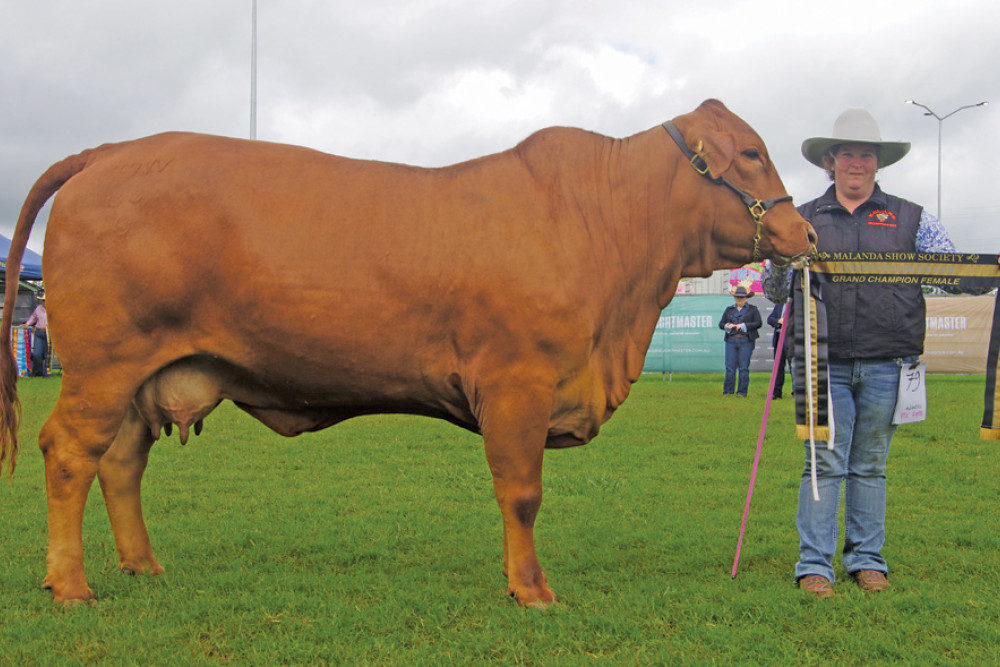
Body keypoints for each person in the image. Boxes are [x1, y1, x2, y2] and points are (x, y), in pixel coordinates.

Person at [764, 107, 964, 598]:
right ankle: (814, 565)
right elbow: (773, 289)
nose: (857, 163)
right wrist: (779, 258)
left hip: (889, 360)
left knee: (870, 465)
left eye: (866, 155)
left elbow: (952, 275)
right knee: (823, 463)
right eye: (847, 154)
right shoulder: (802, 218)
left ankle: (867, 559)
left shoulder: (912, 217)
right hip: (820, 361)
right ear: (830, 162)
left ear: (878, 163)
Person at [718, 284, 762, 397]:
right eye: (737, 297)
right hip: (731, 340)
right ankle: (728, 391)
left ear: (746, 298)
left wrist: (743, 326)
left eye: (741, 297)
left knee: (743, 367)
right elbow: (721, 324)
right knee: (730, 367)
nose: (739, 299)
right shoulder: (729, 310)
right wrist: (728, 325)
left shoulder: (752, 309)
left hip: (746, 341)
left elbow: (758, 323)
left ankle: (742, 392)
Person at [766, 301, 791, 399]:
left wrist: (788, 322)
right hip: (778, 337)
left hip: (790, 338)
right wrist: (779, 320)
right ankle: (776, 393)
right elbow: (770, 319)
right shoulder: (779, 305)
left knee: (793, 366)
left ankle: (796, 392)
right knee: (778, 367)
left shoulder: (797, 305)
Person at [24, 293, 49, 377]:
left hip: (49, 333)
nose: (44, 302)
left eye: (45, 300)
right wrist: (27, 324)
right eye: (43, 300)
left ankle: (46, 373)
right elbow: (33, 317)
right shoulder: (38, 309)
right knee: (37, 354)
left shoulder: (53, 310)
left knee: (47, 354)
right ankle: (38, 371)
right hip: (39, 332)